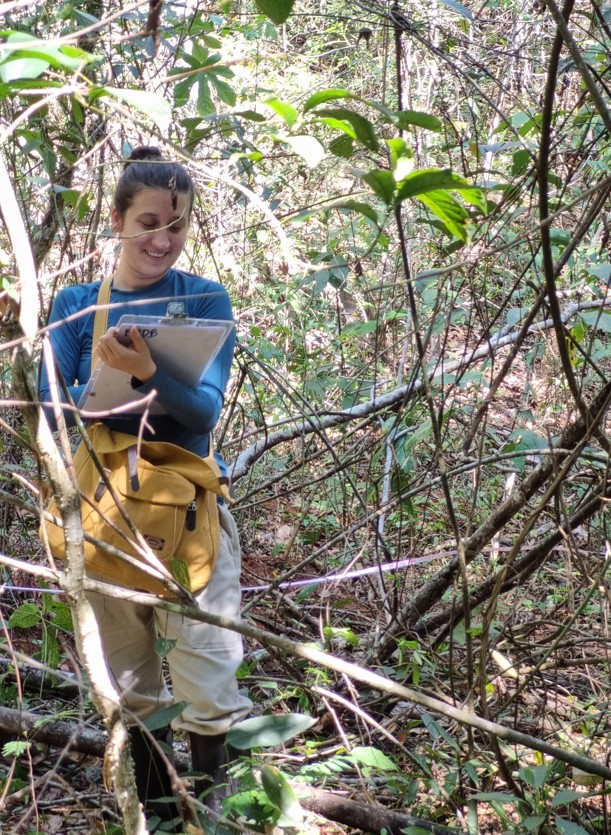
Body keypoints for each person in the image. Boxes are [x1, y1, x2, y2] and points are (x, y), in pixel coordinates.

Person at [39, 146, 252, 832]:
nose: (163, 239)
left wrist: (143, 370)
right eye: (149, 222)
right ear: (117, 220)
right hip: (102, 509)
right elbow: (53, 410)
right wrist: (113, 385)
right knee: (131, 681)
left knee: (209, 670)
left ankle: (210, 810)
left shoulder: (203, 298)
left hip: (188, 510)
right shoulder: (76, 305)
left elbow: (203, 412)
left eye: (178, 225)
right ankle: (157, 811)